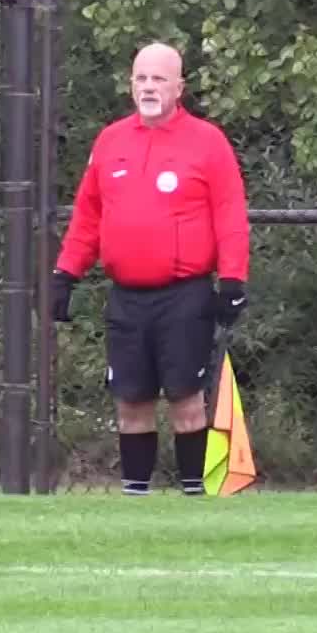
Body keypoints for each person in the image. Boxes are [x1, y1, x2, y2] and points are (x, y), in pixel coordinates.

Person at [50, 42, 251, 495]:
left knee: (186, 400)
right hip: (127, 297)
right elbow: (87, 217)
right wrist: (65, 274)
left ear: (179, 87)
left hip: (185, 295)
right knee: (131, 401)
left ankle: (193, 493)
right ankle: (135, 496)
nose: (148, 87)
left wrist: (233, 278)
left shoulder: (207, 142)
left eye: (158, 79)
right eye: (141, 78)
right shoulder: (110, 141)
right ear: (130, 85)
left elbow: (230, 214)